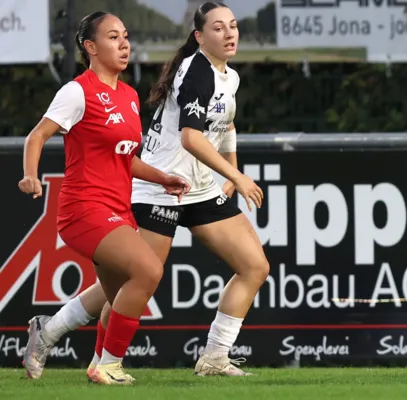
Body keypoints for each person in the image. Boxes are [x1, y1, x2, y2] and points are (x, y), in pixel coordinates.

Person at [22, 1, 269, 379]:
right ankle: (82, 349)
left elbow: (226, 123)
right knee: (131, 281)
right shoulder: (195, 71)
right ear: (199, 36)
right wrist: (237, 178)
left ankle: (215, 358)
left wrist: (230, 168)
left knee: (254, 266)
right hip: (159, 188)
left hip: (196, 188)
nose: (230, 33)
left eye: (233, 25)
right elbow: (190, 137)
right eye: (219, 28)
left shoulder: (226, 78)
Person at [19, 11, 190, 385]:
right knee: (148, 271)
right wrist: (30, 175)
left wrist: (162, 177)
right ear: (91, 47)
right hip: (83, 210)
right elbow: (36, 136)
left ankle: (49, 333)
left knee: (120, 299)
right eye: (113, 37)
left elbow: (124, 159)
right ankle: (108, 365)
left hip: (117, 210)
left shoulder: (128, 96)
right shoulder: (77, 91)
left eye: (126, 36)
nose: (124, 43)